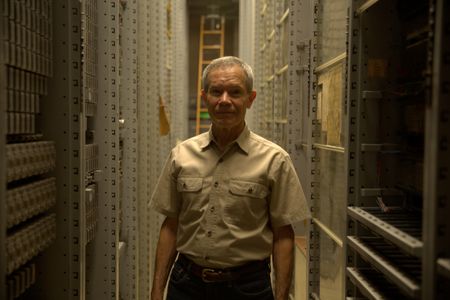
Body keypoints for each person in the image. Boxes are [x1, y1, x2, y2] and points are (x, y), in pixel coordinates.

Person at [149, 56, 310, 300]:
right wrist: (156, 291)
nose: (225, 101)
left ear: (250, 99)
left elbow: (283, 235)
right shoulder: (181, 155)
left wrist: (281, 296)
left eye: (235, 92)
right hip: (187, 284)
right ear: (205, 98)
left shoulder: (275, 160)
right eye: (216, 92)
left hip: (248, 288)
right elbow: (171, 226)